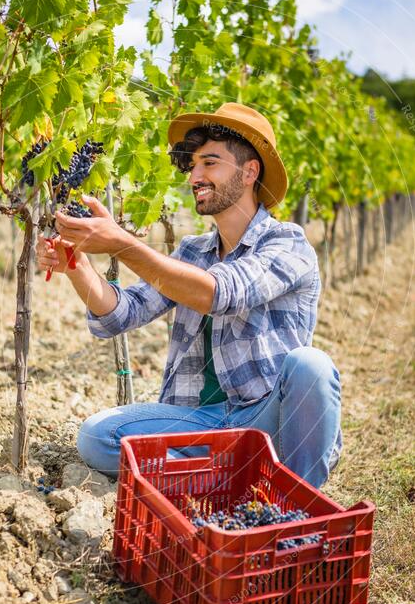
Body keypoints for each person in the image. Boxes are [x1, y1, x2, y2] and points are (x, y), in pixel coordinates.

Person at [36, 102, 342, 490]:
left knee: (310, 366)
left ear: (250, 172)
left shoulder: (287, 243)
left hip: (267, 421)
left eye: (210, 163)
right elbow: (121, 314)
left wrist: (123, 245)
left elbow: (220, 293)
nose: (195, 175)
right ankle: (229, 484)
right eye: (193, 165)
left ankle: (294, 500)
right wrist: (76, 264)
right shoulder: (193, 252)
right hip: (204, 424)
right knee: (98, 437)